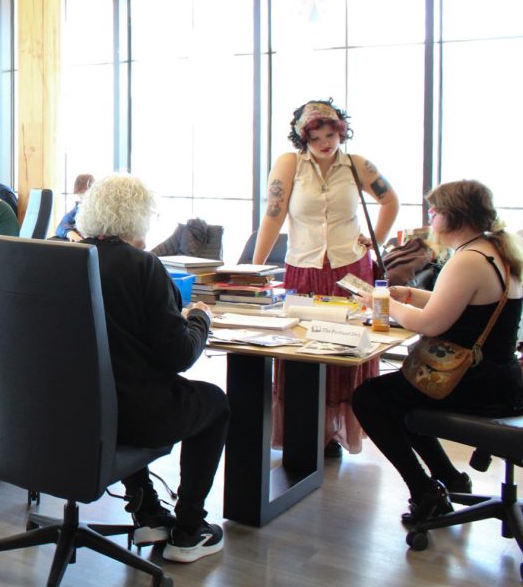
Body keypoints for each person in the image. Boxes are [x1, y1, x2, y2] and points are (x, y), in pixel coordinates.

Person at [75, 173, 229, 563]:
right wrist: (200, 319)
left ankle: (147, 512)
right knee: (214, 403)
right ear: (140, 218)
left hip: (71, 413)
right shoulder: (144, 266)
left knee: (118, 386)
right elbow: (179, 356)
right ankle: (189, 529)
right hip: (137, 418)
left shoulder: (62, 259)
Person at [352, 180, 523, 525]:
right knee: (398, 396)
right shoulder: (494, 250)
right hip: (501, 379)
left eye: (435, 210)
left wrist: (382, 302)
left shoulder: (468, 260)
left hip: (474, 381)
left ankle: (425, 490)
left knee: (370, 398)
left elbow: (429, 325)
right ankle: (449, 477)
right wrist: (411, 296)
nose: (431, 217)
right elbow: (466, 307)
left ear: (455, 215)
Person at [252, 99, 398, 457]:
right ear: (303, 139)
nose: (324, 144)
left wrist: (374, 240)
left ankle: (334, 435)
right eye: (315, 138)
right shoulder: (290, 164)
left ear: (341, 132)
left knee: (345, 351)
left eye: (330, 135)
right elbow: (273, 215)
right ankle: (305, 430)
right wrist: (254, 270)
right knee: (301, 351)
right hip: (303, 269)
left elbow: (390, 201)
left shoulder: (356, 165)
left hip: (351, 270)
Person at [55, 172, 95, 241]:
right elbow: (62, 224)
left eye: (84, 194)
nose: (83, 199)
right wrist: (70, 233)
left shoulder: (101, 209)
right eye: (80, 196)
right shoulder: (78, 207)